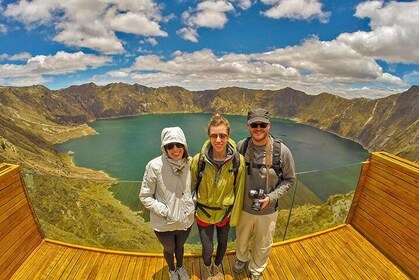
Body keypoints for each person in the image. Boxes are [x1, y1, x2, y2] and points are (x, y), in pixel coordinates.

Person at [233, 108, 296, 280]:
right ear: (248, 126)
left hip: (268, 209)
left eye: (262, 124)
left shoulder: (282, 152)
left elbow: (289, 180)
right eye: (254, 124)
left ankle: (256, 269)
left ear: (269, 125)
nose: (258, 128)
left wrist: (271, 197)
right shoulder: (241, 147)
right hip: (244, 207)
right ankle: (241, 258)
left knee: (263, 243)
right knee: (242, 237)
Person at [191, 114, 245, 280]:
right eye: (214, 135)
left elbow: (239, 190)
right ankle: (208, 268)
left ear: (229, 136)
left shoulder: (238, 161)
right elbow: (191, 186)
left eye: (223, 135)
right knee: (207, 248)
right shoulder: (198, 160)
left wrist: (235, 216)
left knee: (223, 244)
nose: (218, 140)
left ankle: (217, 266)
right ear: (209, 137)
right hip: (203, 213)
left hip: (225, 213)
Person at [140, 127, 195, 280]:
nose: (175, 149)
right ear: (164, 148)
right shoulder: (154, 166)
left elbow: (196, 188)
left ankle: (180, 267)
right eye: (170, 146)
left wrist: (191, 203)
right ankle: (172, 270)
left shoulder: (191, 164)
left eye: (178, 144)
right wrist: (165, 211)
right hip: (164, 222)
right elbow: (145, 196)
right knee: (169, 248)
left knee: (180, 246)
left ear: (184, 145)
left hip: (185, 219)